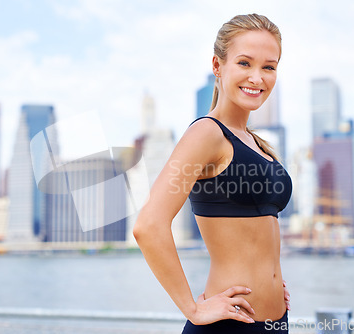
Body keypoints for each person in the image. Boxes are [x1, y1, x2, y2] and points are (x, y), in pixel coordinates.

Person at [132, 13, 292, 334]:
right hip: (229, 326)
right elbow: (148, 225)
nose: (257, 78)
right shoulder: (207, 134)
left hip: (276, 323)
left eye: (269, 67)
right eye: (245, 63)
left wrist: (272, 282)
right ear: (218, 67)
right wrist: (193, 308)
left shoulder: (259, 143)